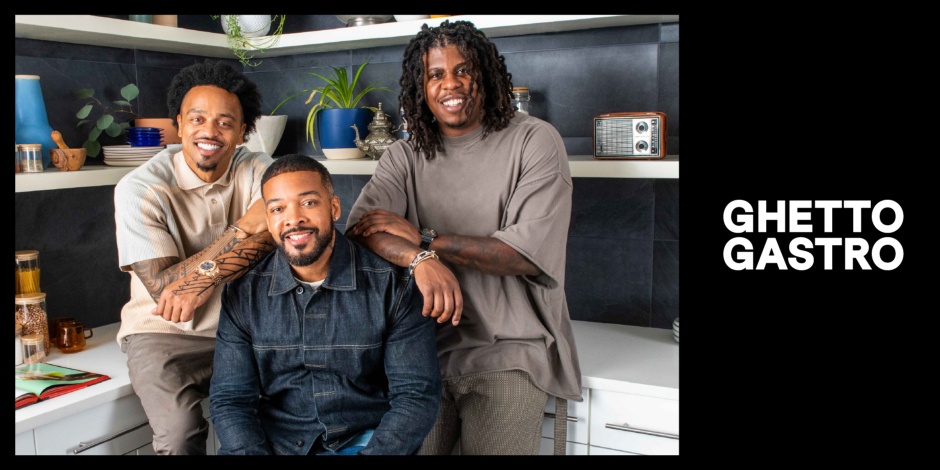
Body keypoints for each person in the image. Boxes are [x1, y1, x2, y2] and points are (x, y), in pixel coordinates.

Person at [346, 20, 582, 455]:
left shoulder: (534, 140)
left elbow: (520, 254)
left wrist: (425, 239)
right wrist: (421, 261)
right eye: (436, 74)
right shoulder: (404, 154)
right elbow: (362, 233)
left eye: (463, 70)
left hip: (508, 351)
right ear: (421, 87)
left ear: (486, 76)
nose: (450, 84)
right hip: (417, 351)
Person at [209, 154, 442, 455]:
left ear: (333, 208)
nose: (294, 219)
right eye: (278, 208)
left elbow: (416, 396)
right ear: (269, 221)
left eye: (308, 203)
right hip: (273, 445)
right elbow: (231, 400)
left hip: (364, 443)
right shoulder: (244, 292)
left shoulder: (393, 286)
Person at [113, 59, 276, 455]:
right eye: (198, 119)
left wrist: (204, 274)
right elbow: (168, 293)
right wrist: (240, 230)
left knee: (289, 414)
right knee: (180, 433)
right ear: (179, 124)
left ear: (243, 132)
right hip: (163, 335)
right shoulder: (140, 189)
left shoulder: (258, 168)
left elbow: (277, 236)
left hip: (244, 328)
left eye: (224, 122)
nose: (209, 131)